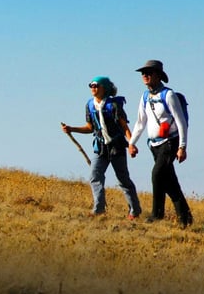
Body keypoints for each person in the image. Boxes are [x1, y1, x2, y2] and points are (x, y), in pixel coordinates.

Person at [61, 76, 142, 219]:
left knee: (123, 179)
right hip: (100, 147)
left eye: (96, 85)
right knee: (95, 176)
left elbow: (124, 127)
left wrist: (131, 144)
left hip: (116, 146)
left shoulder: (114, 105)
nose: (93, 88)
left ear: (105, 88)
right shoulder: (90, 105)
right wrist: (72, 129)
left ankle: (134, 210)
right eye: (91, 85)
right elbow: (90, 128)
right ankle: (98, 209)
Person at [128, 60, 193, 228]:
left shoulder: (168, 95)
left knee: (157, 174)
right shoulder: (145, 96)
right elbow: (140, 122)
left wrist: (182, 147)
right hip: (154, 145)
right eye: (143, 73)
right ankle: (185, 218)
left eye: (149, 72)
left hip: (170, 143)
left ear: (158, 75)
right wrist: (132, 143)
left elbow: (181, 123)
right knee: (170, 182)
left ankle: (157, 215)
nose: (145, 75)